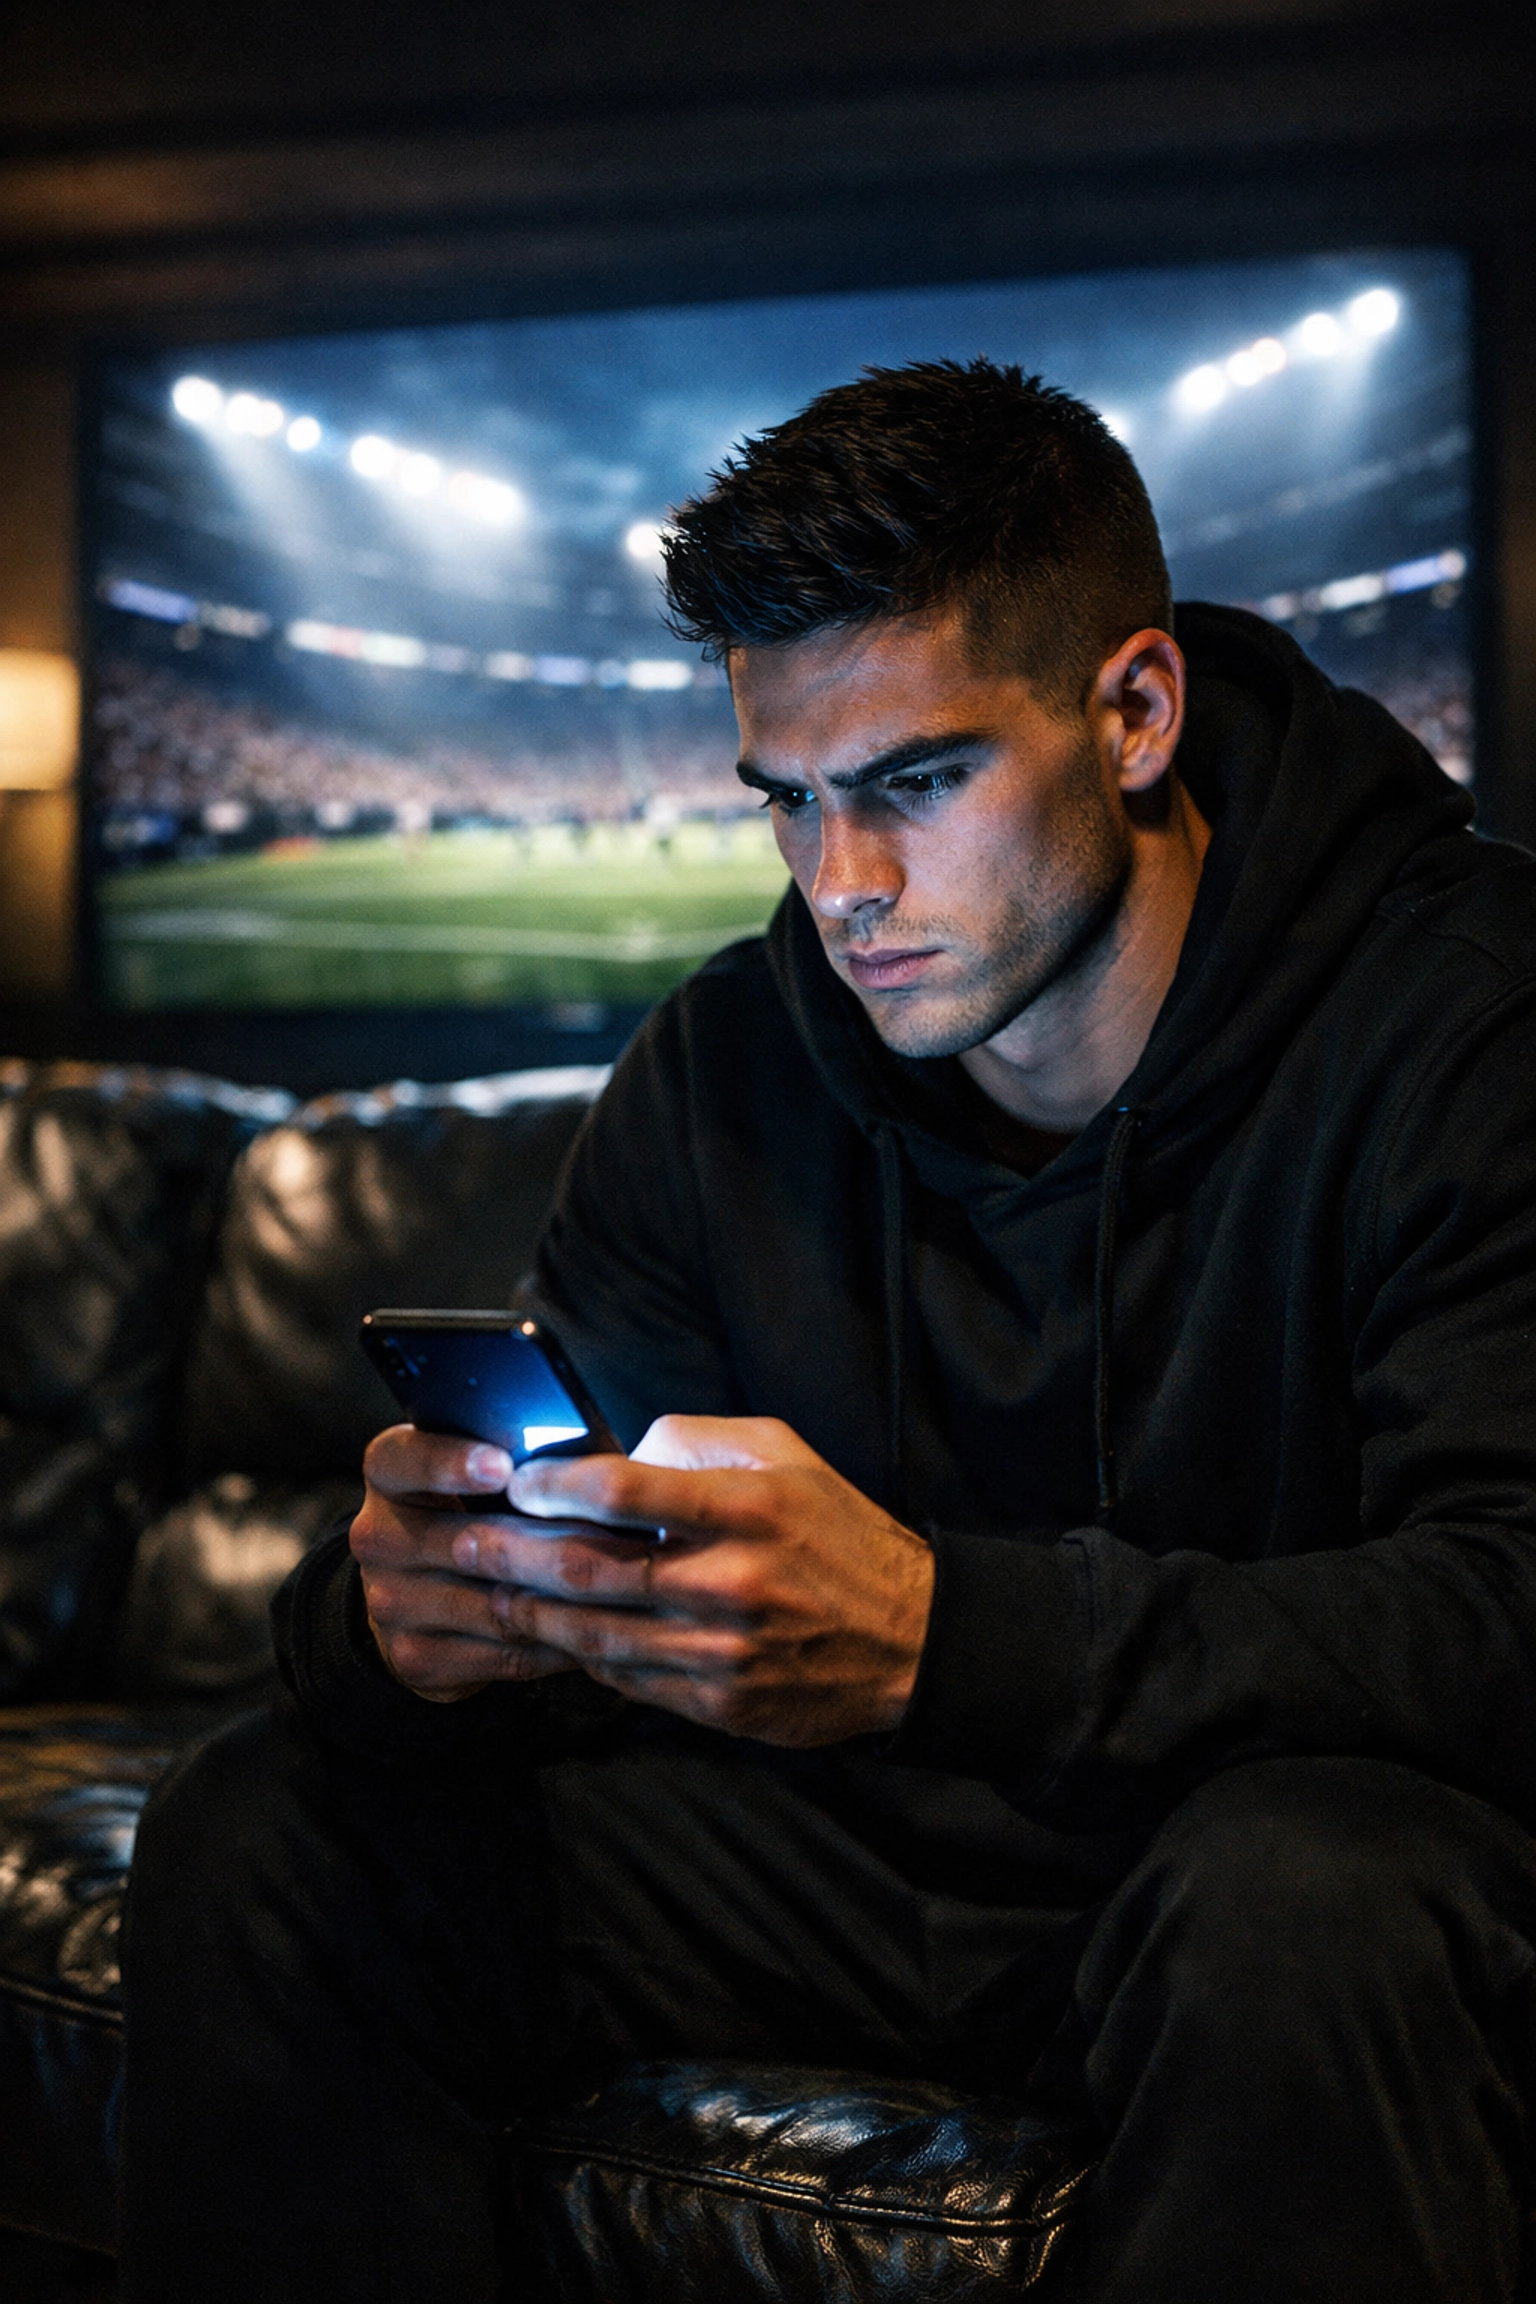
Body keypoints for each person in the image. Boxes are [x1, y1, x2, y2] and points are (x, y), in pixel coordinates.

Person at [121, 360, 1536, 2303]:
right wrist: (401, 1626)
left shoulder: (1466, 1015)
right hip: (844, 1862)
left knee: (1320, 1905)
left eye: (915, 784)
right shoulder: (729, 1059)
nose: (841, 888)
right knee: (270, 1828)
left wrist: (953, 1635)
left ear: (1134, 713)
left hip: (1248, 1853)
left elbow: (1505, 1605)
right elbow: (564, 1532)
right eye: (785, 801)